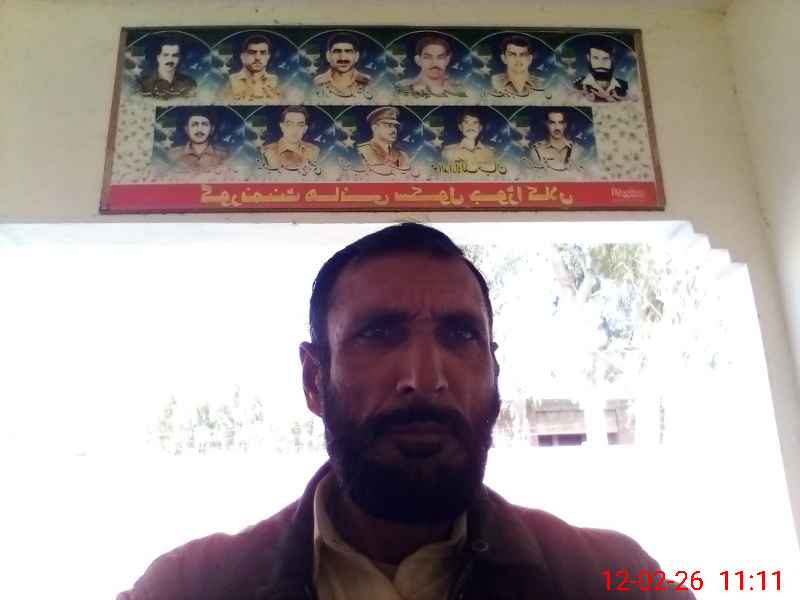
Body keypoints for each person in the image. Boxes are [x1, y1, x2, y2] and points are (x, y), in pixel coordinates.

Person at [117, 223, 694, 600]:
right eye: (380, 333)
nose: (425, 378)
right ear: (314, 380)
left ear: (494, 371)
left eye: (460, 335)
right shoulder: (187, 587)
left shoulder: (615, 579)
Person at [395, 35, 467, 99]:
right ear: (418, 60)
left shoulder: (461, 90)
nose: (434, 63)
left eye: (440, 57)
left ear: (447, 60)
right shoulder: (403, 90)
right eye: (427, 57)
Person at [219, 35, 281, 102]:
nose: (258, 58)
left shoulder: (276, 82)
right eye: (252, 53)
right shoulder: (230, 81)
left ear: (268, 57)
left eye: (263, 53)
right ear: (242, 56)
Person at [166, 109, 227, 174]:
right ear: (186, 129)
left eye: (205, 124)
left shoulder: (224, 155)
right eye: (194, 124)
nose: (199, 129)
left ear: (212, 129)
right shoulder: (172, 155)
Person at [313, 33, 372, 99]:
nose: (343, 58)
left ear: (357, 56)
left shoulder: (368, 83)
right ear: (328, 56)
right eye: (337, 51)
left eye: (348, 51)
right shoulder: (316, 84)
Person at [262, 106, 320, 171]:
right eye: (289, 124)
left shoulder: (313, 150)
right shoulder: (268, 151)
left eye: (300, 125)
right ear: (282, 126)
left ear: (305, 129)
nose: (294, 129)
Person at [573, 38, 629, 102]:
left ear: (612, 59)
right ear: (588, 58)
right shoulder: (577, 85)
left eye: (606, 58)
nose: (601, 64)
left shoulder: (624, 85)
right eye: (595, 58)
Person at [357, 106, 410, 173]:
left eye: (395, 126)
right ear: (375, 128)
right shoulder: (362, 152)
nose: (394, 130)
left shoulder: (402, 155)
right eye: (389, 126)